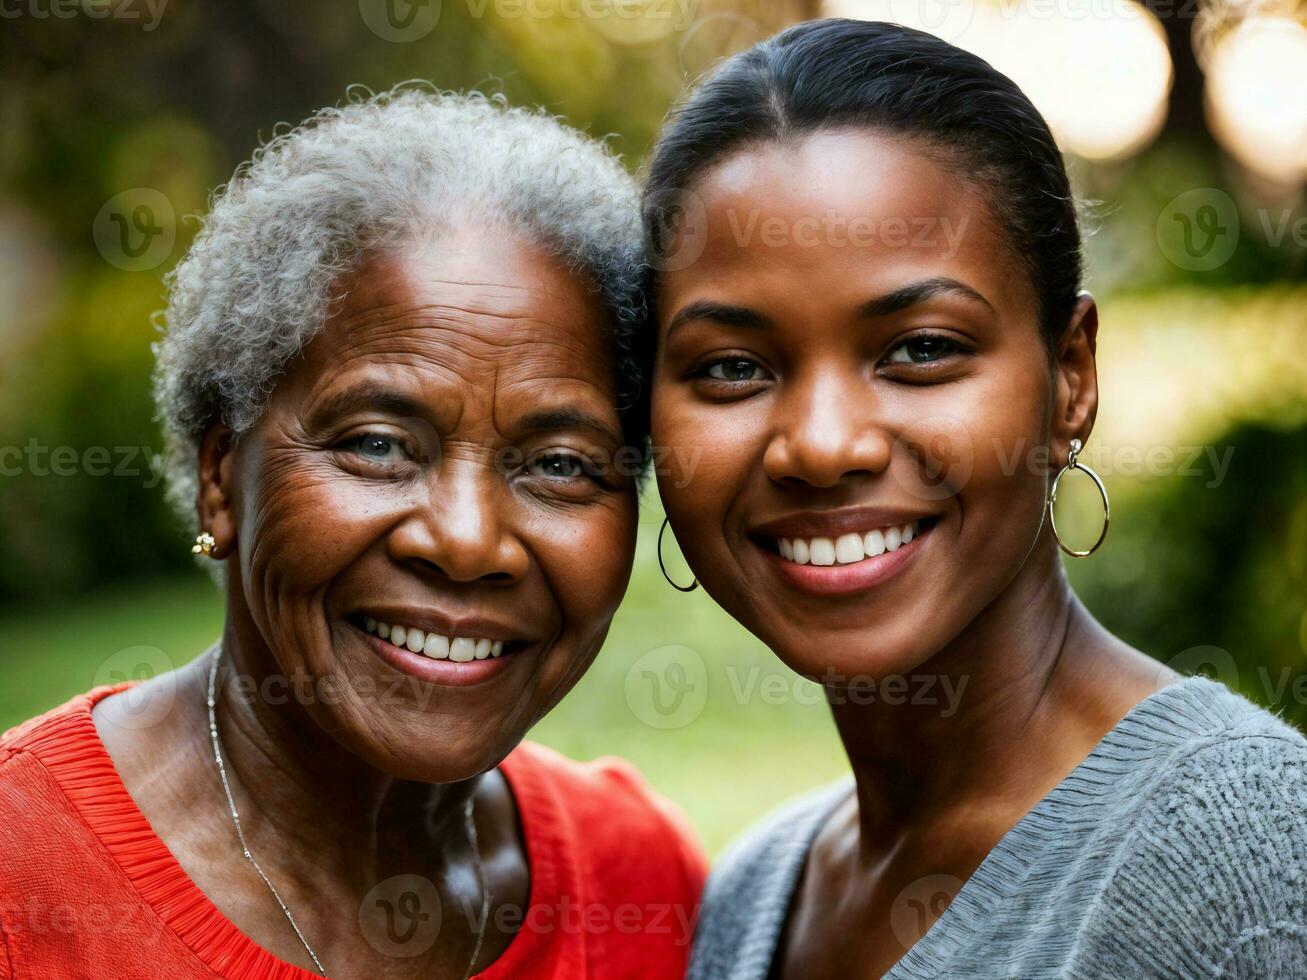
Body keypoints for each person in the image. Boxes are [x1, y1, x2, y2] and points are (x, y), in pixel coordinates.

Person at [642, 19, 1307, 980]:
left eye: (920, 348)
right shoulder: (754, 894)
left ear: (1068, 378)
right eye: (732, 367)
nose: (822, 446)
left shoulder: (1242, 859)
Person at [0, 88, 704, 979]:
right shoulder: (22, 886)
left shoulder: (642, 886)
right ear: (222, 475)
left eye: (560, 464)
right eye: (377, 445)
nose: (466, 542)